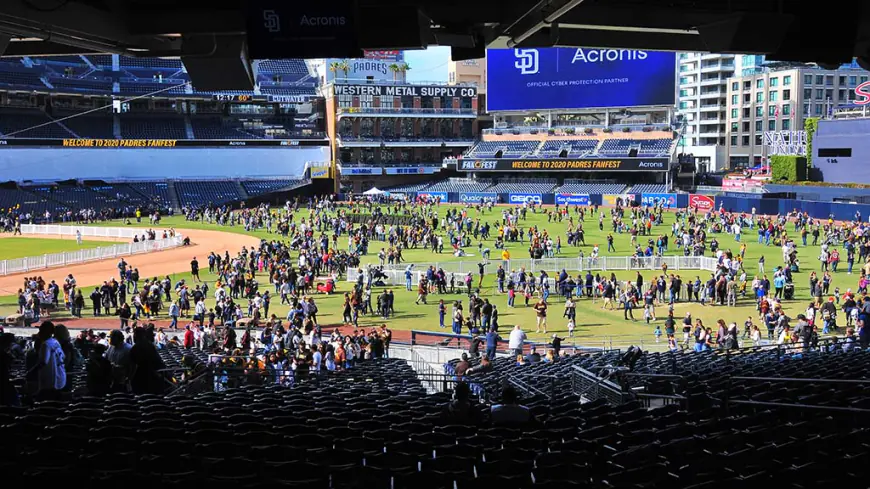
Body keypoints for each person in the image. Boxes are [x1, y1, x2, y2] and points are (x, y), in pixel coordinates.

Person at [33, 321, 66, 400]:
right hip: (60, 377)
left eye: (41, 331)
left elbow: (43, 362)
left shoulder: (45, 344)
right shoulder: (55, 342)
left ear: (45, 332)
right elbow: (63, 357)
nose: (39, 333)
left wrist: (31, 372)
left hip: (50, 381)